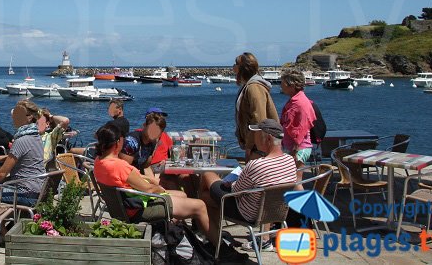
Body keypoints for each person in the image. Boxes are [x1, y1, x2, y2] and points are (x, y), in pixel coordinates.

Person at [93, 123, 246, 262]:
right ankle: (222, 249)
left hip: (126, 205)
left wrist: (154, 184)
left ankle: (177, 236)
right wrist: (160, 189)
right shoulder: (119, 165)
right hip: (141, 207)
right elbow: (148, 189)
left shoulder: (99, 162)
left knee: (183, 195)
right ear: (118, 143)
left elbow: (138, 181)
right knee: (199, 205)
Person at [199, 119, 297, 254]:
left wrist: (230, 183)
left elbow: (235, 190)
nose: (254, 140)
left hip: (248, 213)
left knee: (207, 175)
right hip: (274, 211)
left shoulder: (257, 164)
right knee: (205, 198)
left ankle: (212, 237)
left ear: (267, 139)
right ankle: (216, 238)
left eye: (256, 136)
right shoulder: (290, 160)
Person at [0, 100, 46, 206]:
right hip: (39, 190)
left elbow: (2, 173)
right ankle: (3, 221)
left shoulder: (21, 140)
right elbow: (19, 156)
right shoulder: (36, 137)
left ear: (30, 117)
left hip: (25, 193)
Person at [233, 53, 279, 161]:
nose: (233, 68)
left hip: (259, 147)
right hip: (256, 146)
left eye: (235, 64)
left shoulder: (254, 87)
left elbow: (259, 119)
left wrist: (250, 146)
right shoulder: (248, 86)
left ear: (242, 68)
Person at [279, 69, 316, 177]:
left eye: (283, 83)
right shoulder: (295, 100)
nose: (281, 85)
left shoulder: (300, 102)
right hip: (292, 147)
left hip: (299, 148)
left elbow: (302, 128)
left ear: (292, 85)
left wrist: (295, 150)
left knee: (295, 181)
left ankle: (301, 195)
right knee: (290, 181)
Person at [120, 108, 167, 174]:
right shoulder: (131, 141)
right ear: (144, 125)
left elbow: (145, 167)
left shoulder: (152, 143)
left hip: (135, 175)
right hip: (122, 178)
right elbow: (124, 170)